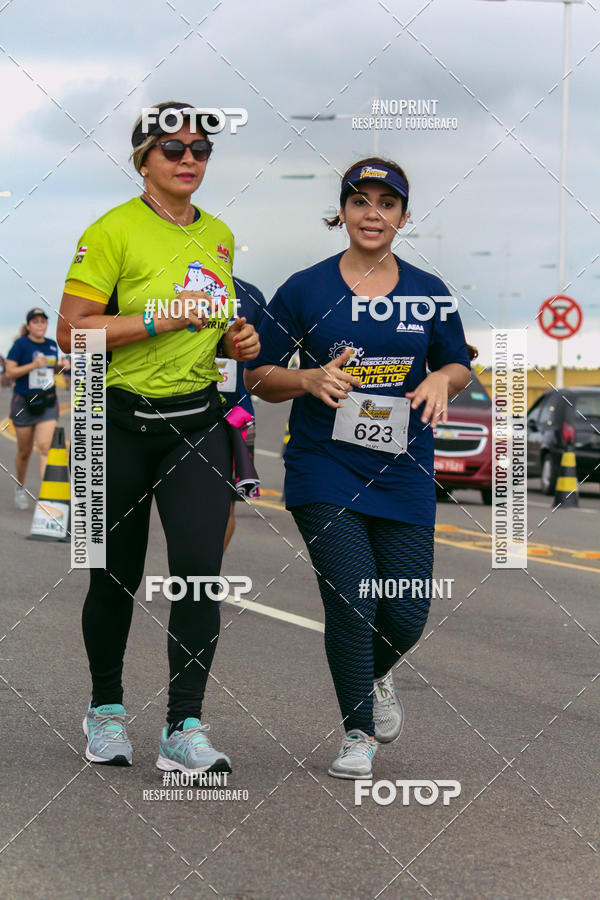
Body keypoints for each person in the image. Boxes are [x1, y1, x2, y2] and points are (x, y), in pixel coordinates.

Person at [246, 157, 471, 779]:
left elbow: (457, 362)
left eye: (386, 203)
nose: (373, 214)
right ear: (341, 212)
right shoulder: (305, 289)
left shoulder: (428, 292)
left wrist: (439, 381)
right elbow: (261, 376)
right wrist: (309, 378)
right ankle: (356, 734)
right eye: (360, 201)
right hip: (325, 469)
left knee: (404, 610)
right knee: (354, 603)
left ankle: (375, 674)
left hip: (403, 469)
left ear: (403, 214)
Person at [57, 101, 260, 774]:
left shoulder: (223, 235)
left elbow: (216, 319)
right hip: (114, 422)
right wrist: (155, 320)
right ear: (143, 158)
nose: (190, 161)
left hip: (196, 425)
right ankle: (106, 711)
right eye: (173, 150)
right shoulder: (111, 231)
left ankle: (184, 727)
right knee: (113, 576)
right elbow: (72, 334)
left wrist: (239, 338)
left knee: (200, 576)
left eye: (201, 151)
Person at [218, 276, 267, 549]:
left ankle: (204, 582)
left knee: (226, 507)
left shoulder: (250, 295)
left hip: (237, 418)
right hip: (175, 410)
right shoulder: (164, 288)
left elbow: (265, 361)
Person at [6, 309, 62, 509]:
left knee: (45, 447)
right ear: (28, 326)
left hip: (47, 401)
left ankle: (47, 498)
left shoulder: (51, 345)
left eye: (43, 322)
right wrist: (32, 365)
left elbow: (53, 368)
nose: (40, 325)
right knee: (24, 451)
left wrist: (59, 366)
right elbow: (10, 371)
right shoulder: (20, 345)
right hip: (24, 403)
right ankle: (20, 487)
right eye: (35, 322)